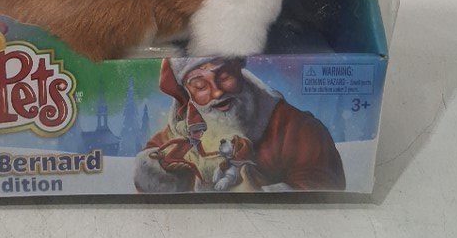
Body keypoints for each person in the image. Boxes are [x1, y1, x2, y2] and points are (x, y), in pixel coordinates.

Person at [135, 57, 346, 193]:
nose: (217, 92)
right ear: (187, 93)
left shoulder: (298, 129)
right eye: (200, 85)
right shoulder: (183, 131)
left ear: (238, 68)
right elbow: (151, 163)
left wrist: (259, 193)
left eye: (224, 75)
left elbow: (326, 190)